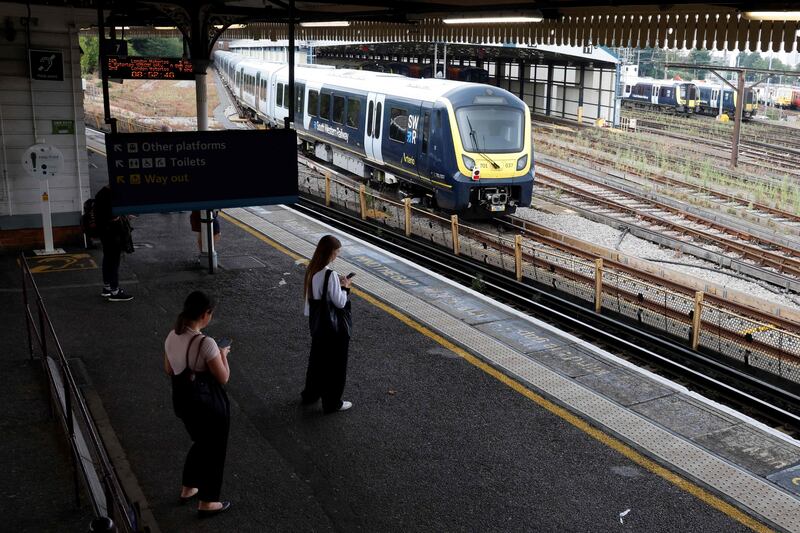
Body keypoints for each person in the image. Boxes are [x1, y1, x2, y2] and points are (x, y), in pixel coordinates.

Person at [164, 291, 232, 517]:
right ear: (206, 314)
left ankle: (188, 488)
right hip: (208, 406)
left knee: (201, 443)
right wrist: (223, 354)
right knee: (214, 451)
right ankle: (208, 501)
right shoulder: (206, 343)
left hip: (183, 403)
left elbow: (169, 369)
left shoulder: (172, 336)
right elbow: (223, 378)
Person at [301, 235, 353, 414]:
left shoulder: (312, 270)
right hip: (333, 330)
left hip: (317, 326)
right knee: (336, 366)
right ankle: (332, 403)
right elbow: (339, 303)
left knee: (317, 362)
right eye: (336, 252)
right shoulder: (329, 275)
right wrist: (345, 287)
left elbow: (316, 297)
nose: (337, 256)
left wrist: (335, 286)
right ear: (330, 253)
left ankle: (310, 395)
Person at [94, 186, 133, 302]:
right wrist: (121, 217)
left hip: (104, 232)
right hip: (112, 233)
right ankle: (115, 291)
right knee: (114, 261)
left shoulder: (101, 193)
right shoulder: (109, 194)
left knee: (107, 258)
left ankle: (107, 287)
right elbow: (112, 216)